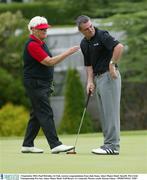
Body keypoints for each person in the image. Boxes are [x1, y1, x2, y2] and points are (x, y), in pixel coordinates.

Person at [21, 16, 79, 154]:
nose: (45, 31)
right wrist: (68, 52)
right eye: (41, 29)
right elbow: (49, 62)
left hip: (41, 83)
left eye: (46, 29)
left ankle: (27, 144)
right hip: (36, 84)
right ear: (33, 30)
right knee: (45, 112)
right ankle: (55, 144)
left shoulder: (40, 42)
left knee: (37, 113)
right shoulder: (32, 45)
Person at [76, 15, 124, 155]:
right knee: (104, 114)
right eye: (87, 28)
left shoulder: (102, 35)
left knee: (111, 112)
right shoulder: (84, 44)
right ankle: (107, 144)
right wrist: (90, 81)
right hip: (98, 79)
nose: (91, 29)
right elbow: (89, 65)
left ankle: (113, 146)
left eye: (91, 26)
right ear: (81, 31)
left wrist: (112, 64)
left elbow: (119, 47)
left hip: (109, 77)